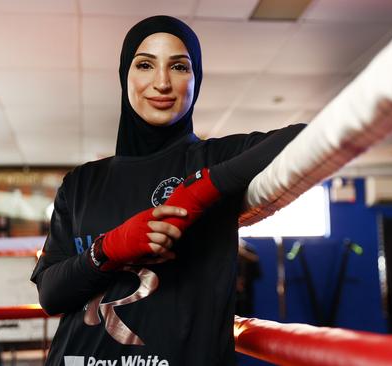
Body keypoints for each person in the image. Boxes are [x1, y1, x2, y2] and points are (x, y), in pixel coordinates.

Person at [30, 15, 304, 365]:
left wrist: (200, 191)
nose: (162, 82)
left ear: (196, 79)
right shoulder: (82, 183)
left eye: (179, 67)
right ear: (124, 77)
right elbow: (51, 296)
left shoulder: (214, 159)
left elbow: (311, 135)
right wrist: (109, 249)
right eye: (145, 64)